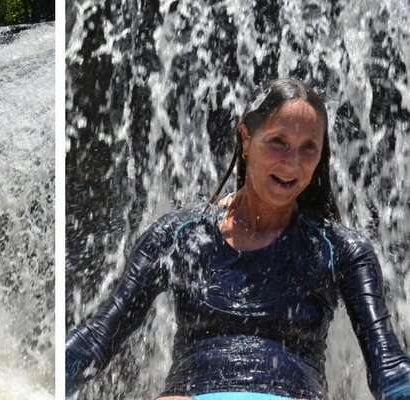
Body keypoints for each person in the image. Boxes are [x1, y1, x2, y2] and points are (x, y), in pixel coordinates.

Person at [65, 80, 410, 400]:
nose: (292, 163)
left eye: (308, 148)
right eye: (278, 142)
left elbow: (389, 368)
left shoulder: (342, 251)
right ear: (245, 138)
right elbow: (98, 338)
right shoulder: (178, 237)